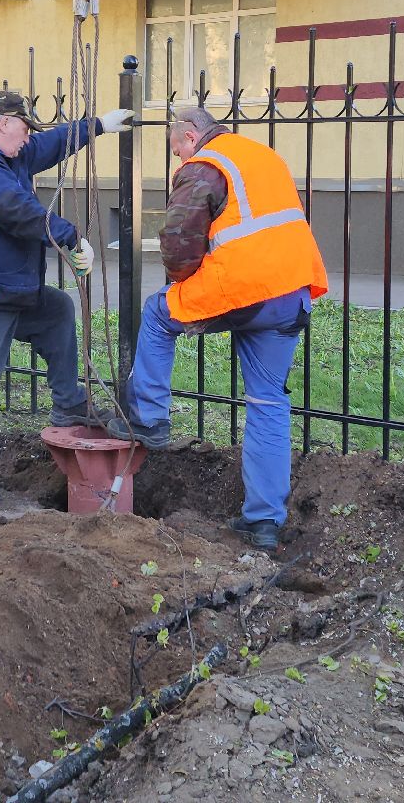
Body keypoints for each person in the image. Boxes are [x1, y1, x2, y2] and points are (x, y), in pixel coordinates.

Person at [105, 107, 329, 550]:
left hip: (244, 289)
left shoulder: (206, 166)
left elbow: (179, 240)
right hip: (292, 292)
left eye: (176, 148)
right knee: (268, 402)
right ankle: (264, 521)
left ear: (190, 135)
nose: (177, 159)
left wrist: (180, 282)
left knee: (156, 313)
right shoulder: (260, 155)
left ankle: (148, 417)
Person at [0, 91, 135, 506]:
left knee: (56, 310)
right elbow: (13, 208)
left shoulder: (9, 152)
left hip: (5, 292)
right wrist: (70, 236)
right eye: (22, 129)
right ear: (3, 124)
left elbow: (48, 144)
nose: (27, 139)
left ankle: (69, 405)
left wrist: (98, 125)